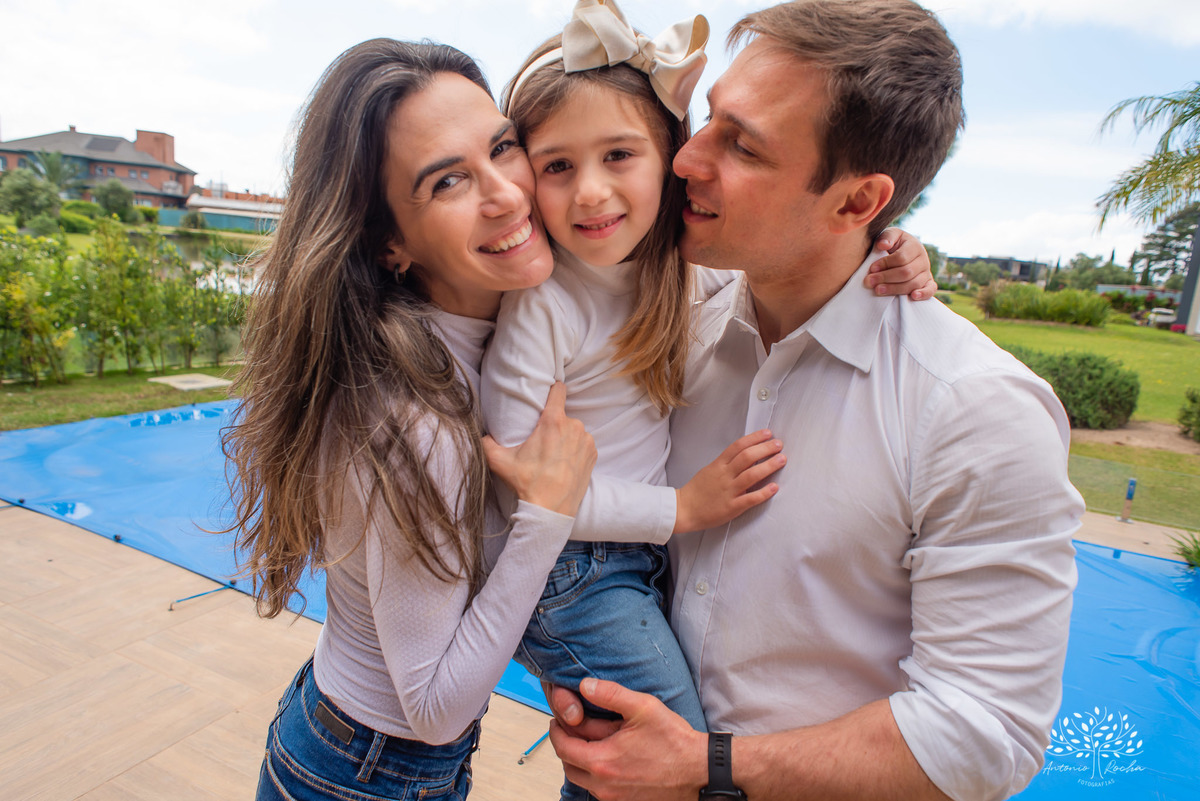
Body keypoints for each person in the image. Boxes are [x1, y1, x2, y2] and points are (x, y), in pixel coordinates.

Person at [546, 2, 1086, 800]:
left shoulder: (976, 411)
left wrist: (707, 767)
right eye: (708, 119)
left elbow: (985, 733)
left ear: (858, 204)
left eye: (743, 144)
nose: (687, 158)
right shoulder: (669, 310)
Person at [483, 1, 934, 798]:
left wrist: (896, 250)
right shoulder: (547, 302)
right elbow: (526, 489)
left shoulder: (683, 271)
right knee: (673, 758)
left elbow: (814, 253)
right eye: (557, 167)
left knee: (621, 767)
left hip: (625, 563)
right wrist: (682, 509)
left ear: (662, 156)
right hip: (573, 568)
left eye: (620, 154)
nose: (591, 193)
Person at [222, 39, 601, 801]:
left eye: (503, 148)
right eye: (450, 180)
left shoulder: (503, 325)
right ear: (390, 241)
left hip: (353, 740)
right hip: (370, 768)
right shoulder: (415, 417)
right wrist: (547, 513)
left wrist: (872, 260)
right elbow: (433, 707)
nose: (508, 195)